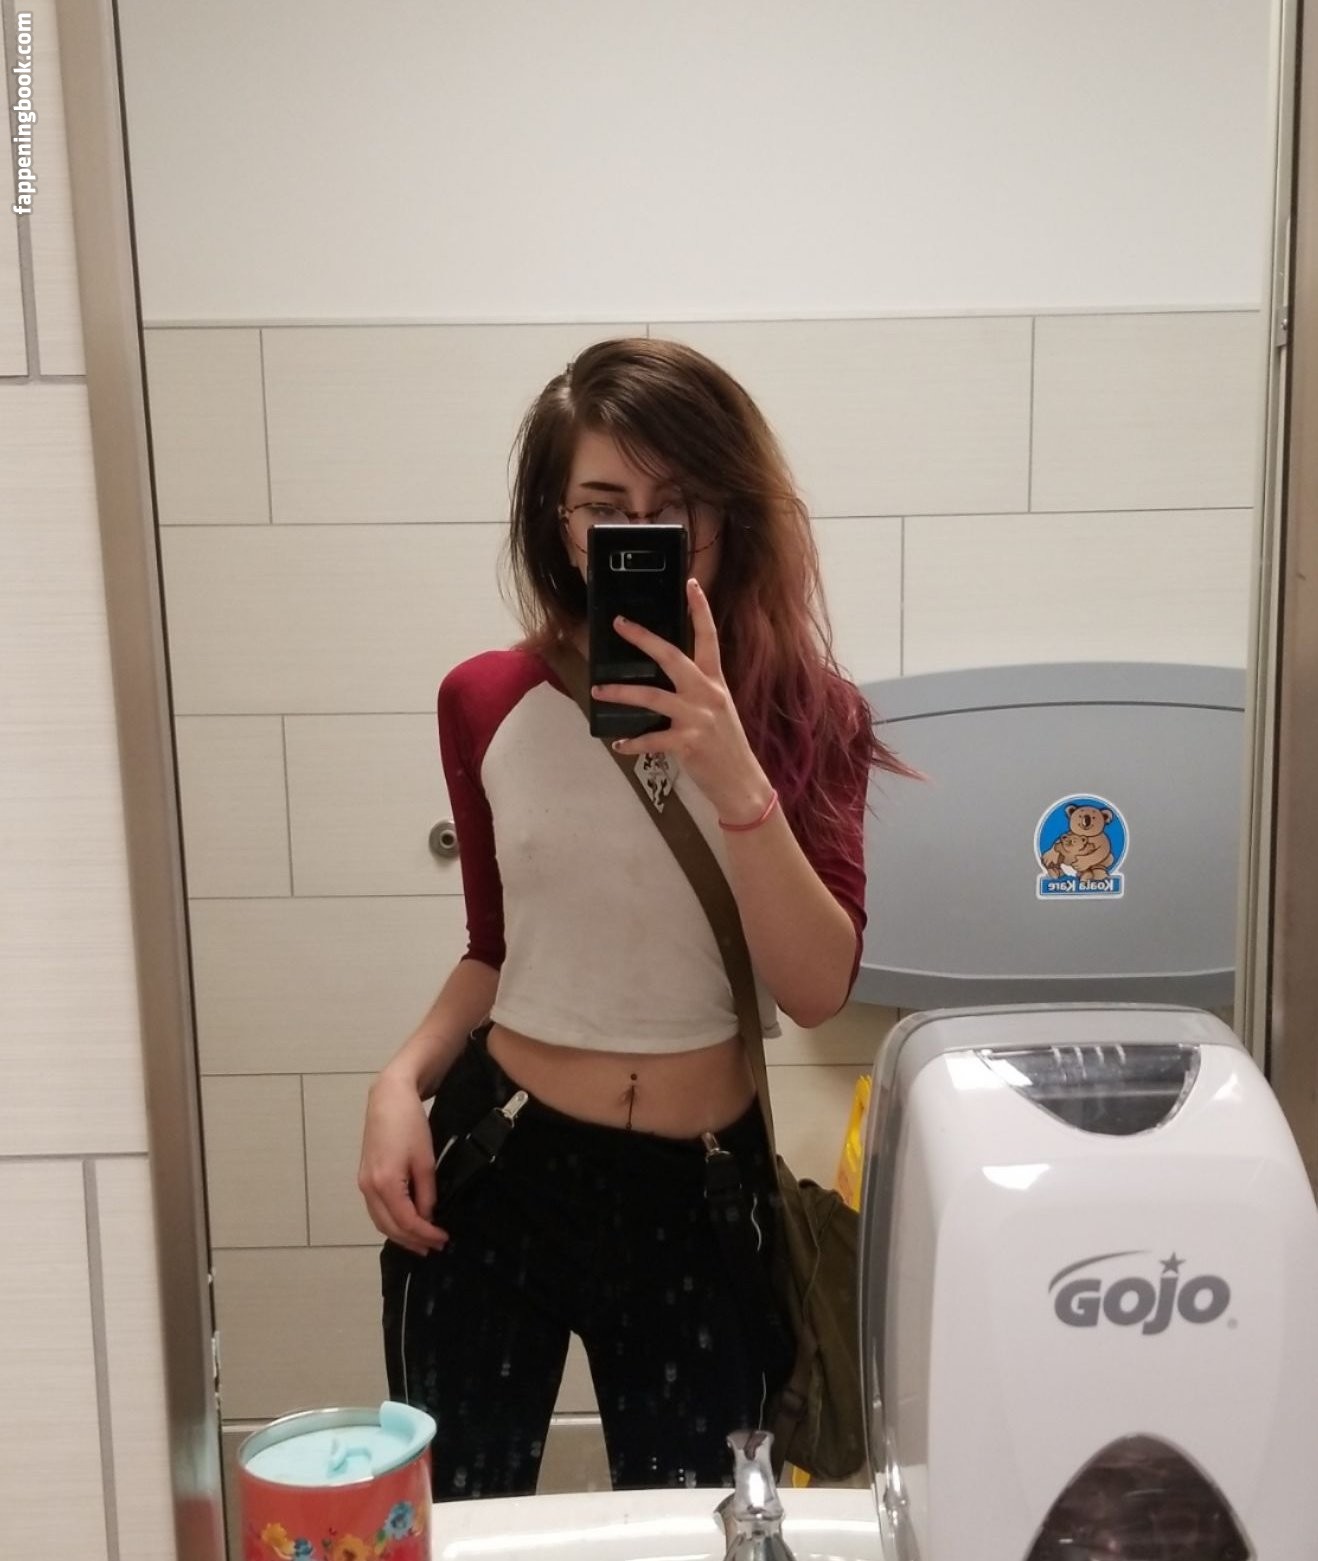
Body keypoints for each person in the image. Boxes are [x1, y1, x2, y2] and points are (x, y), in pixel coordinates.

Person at [359, 337, 908, 1500]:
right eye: (605, 508)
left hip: (697, 1192)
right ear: (557, 522)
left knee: (703, 1524)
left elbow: (815, 988)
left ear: (729, 516)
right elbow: (495, 947)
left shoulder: (808, 715)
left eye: (676, 507)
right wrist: (398, 1080)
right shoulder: (486, 699)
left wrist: (733, 774)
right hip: (500, 1160)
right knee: (460, 1515)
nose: (640, 535)